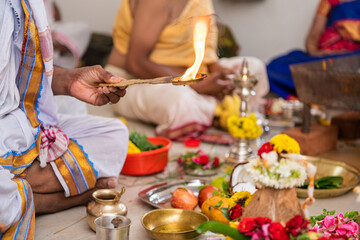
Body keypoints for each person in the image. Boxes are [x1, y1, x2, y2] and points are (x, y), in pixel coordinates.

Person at [0, 0, 128, 238]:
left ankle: (17, 184)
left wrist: (70, 81)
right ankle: (59, 197)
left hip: (20, 124)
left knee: (114, 133)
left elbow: (20, 73)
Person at [106, 0, 269, 140]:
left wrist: (224, 75)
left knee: (254, 68)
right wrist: (197, 86)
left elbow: (207, 56)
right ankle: (220, 111)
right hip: (133, 81)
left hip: (191, 77)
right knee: (180, 102)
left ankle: (213, 111)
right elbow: (136, 63)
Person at [267, 0, 360, 99]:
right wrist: (315, 52)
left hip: (353, 58)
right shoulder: (329, 2)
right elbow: (315, 33)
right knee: (275, 66)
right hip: (325, 58)